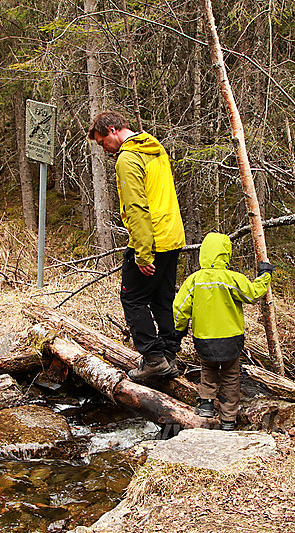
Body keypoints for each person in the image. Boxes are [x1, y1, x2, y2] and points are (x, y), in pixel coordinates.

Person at [88, 110, 186, 382]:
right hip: (172, 236)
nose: (103, 148)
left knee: (132, 298)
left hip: (151, 239)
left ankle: (154, 359)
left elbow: (137, 207)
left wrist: (143, 254)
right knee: (162, 298)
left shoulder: (128, 158)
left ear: (111, 131)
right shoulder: (154, 148)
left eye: (101, 142)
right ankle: (169, 355)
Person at [172, 232, 273, 430]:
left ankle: (206, 406)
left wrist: (177, 331)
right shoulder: (233, 279)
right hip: (231, 339)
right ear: (226, 254)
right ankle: (228, 420)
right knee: (230, 377)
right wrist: (265, 275)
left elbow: (179, 308)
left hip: (204, 339)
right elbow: (253, 294)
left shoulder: (194, 280)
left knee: (207, 370)